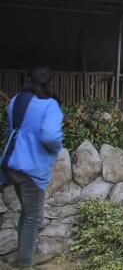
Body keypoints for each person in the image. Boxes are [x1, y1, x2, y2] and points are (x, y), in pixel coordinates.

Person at [0, 67, 64, 268]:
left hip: (12, 163)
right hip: (31, 168)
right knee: (34, 217)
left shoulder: (15, 100)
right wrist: (57, 148)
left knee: (27, 213)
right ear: (49, 82)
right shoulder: (49, 105)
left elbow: (13, 129)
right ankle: (26, 263)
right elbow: (50, 136)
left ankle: (23, 257)